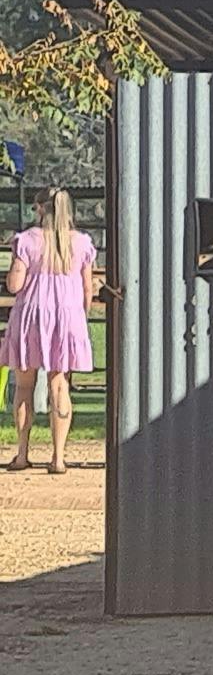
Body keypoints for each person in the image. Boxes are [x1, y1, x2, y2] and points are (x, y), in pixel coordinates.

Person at [5, 190, 99, 476]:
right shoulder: (82, 243)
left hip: (31, 316)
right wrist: (79, 317)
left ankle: (22, 453)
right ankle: (58, 457)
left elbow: (15, 285)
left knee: (24, 386)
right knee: (60, 386)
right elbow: (87, 288)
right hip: (67, 318)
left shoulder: (26, 240)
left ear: (40, 209)